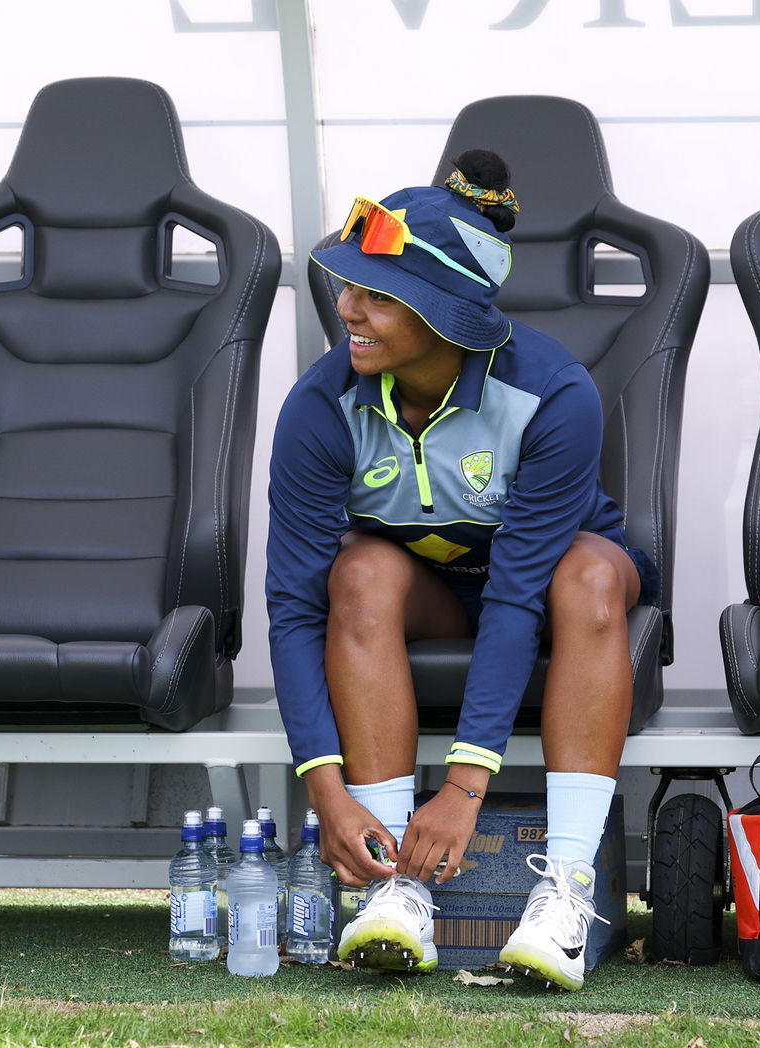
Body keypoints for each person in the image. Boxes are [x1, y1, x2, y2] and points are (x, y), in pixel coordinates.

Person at [265, 150, 658, 991]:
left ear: (445, 315)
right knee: (361, 571)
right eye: (347, 287)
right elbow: (293, 609)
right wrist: (326, 792)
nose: (347, 310)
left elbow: (519, 589)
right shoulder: (317, 408)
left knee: (584, 573)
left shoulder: (555, 394)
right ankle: (395, 884)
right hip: (440, 599)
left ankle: (568, 892)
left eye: (377, 295)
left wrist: (466, 788)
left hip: (557, 592)